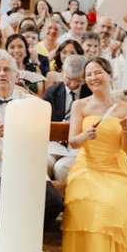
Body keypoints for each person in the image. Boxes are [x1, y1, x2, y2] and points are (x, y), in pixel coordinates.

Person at [62, 57, 127, 252]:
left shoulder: (125, 108)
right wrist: (84, 136)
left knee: (118, 204)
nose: (93, 78)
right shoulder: (80, 105)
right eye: (89, 74)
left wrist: (126, 130)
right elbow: (72, 141)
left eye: (98, 72)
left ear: (110, 75)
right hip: (88, 167)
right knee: (95, 204)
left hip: (115, 166)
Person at [0, 50, 64, 232]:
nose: (2, 73)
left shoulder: (32, 103)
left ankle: (26, 238)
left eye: (7, 69)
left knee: (53, 202)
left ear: (16, 75)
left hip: (24, 166)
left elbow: (40, 137)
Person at [44, 54, 90, 182]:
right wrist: (60, 126)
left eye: (79, 81)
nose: (73, 85)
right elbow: (46, 123)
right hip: (55, 144)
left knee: (61, 167)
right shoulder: (51, 93)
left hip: (78, 145)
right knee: (44, 162)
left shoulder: (90, 92)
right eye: (69, 79)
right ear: (63, 70)